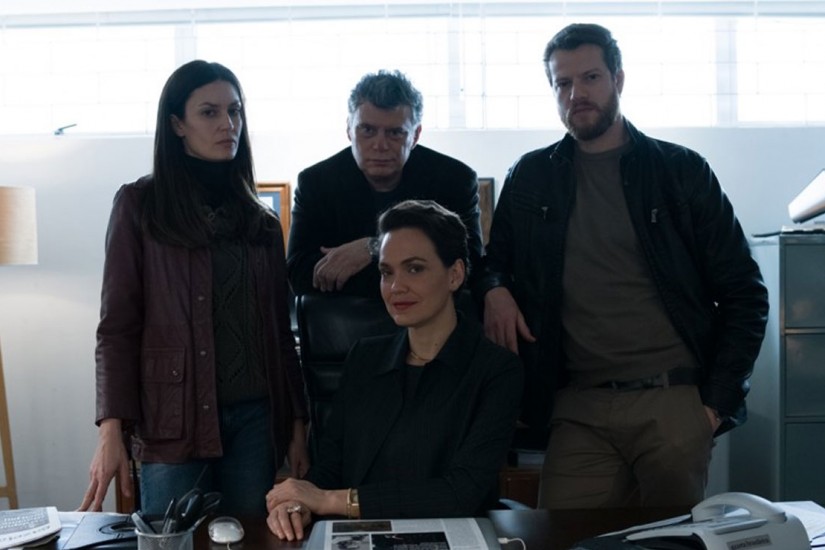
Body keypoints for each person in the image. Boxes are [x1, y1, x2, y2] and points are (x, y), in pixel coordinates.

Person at [477, 23, 769, 509]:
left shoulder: (680, 171)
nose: (576, 94)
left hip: (672, 399)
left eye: (590, 78)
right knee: (561, 534)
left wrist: (713, 407)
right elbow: (495, 261)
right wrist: (494, 288)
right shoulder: (531, 176)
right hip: (577, 403)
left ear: (618, 79)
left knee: (668, 540)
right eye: (563, 83)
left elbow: (746, 293)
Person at [78, 60, 309, 516]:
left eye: (235, 111)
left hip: (255, 422)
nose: (228, 124)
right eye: (209, 112)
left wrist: (298, 423)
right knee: (169, 539)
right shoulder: (140, 205)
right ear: (177, 124)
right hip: (172, 421)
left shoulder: (262, 221)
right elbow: (117, 327)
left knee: (248, 539)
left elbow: (280, 334)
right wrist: (110, 429)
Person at [266, 200, 523, 541]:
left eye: (414, 268)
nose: (395, 286)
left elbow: (461, 493)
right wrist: (299, 501)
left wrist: (329, 500)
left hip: (449, 540)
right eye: (386, 272)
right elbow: (330, 466)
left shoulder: (496, 370)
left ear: (455, 274)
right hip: (358, 538)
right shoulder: (364, 357)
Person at [286, 69, 483, 298]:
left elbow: (467, 267)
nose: (380, 145)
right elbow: (299, 274)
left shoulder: (454, 180)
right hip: (345, 317)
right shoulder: (316, 183)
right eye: (367, 130)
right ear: (349, 129)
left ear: (415, 135)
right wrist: (415, 268)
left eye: (395, 133)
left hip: (429, 317)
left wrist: (374, 248)